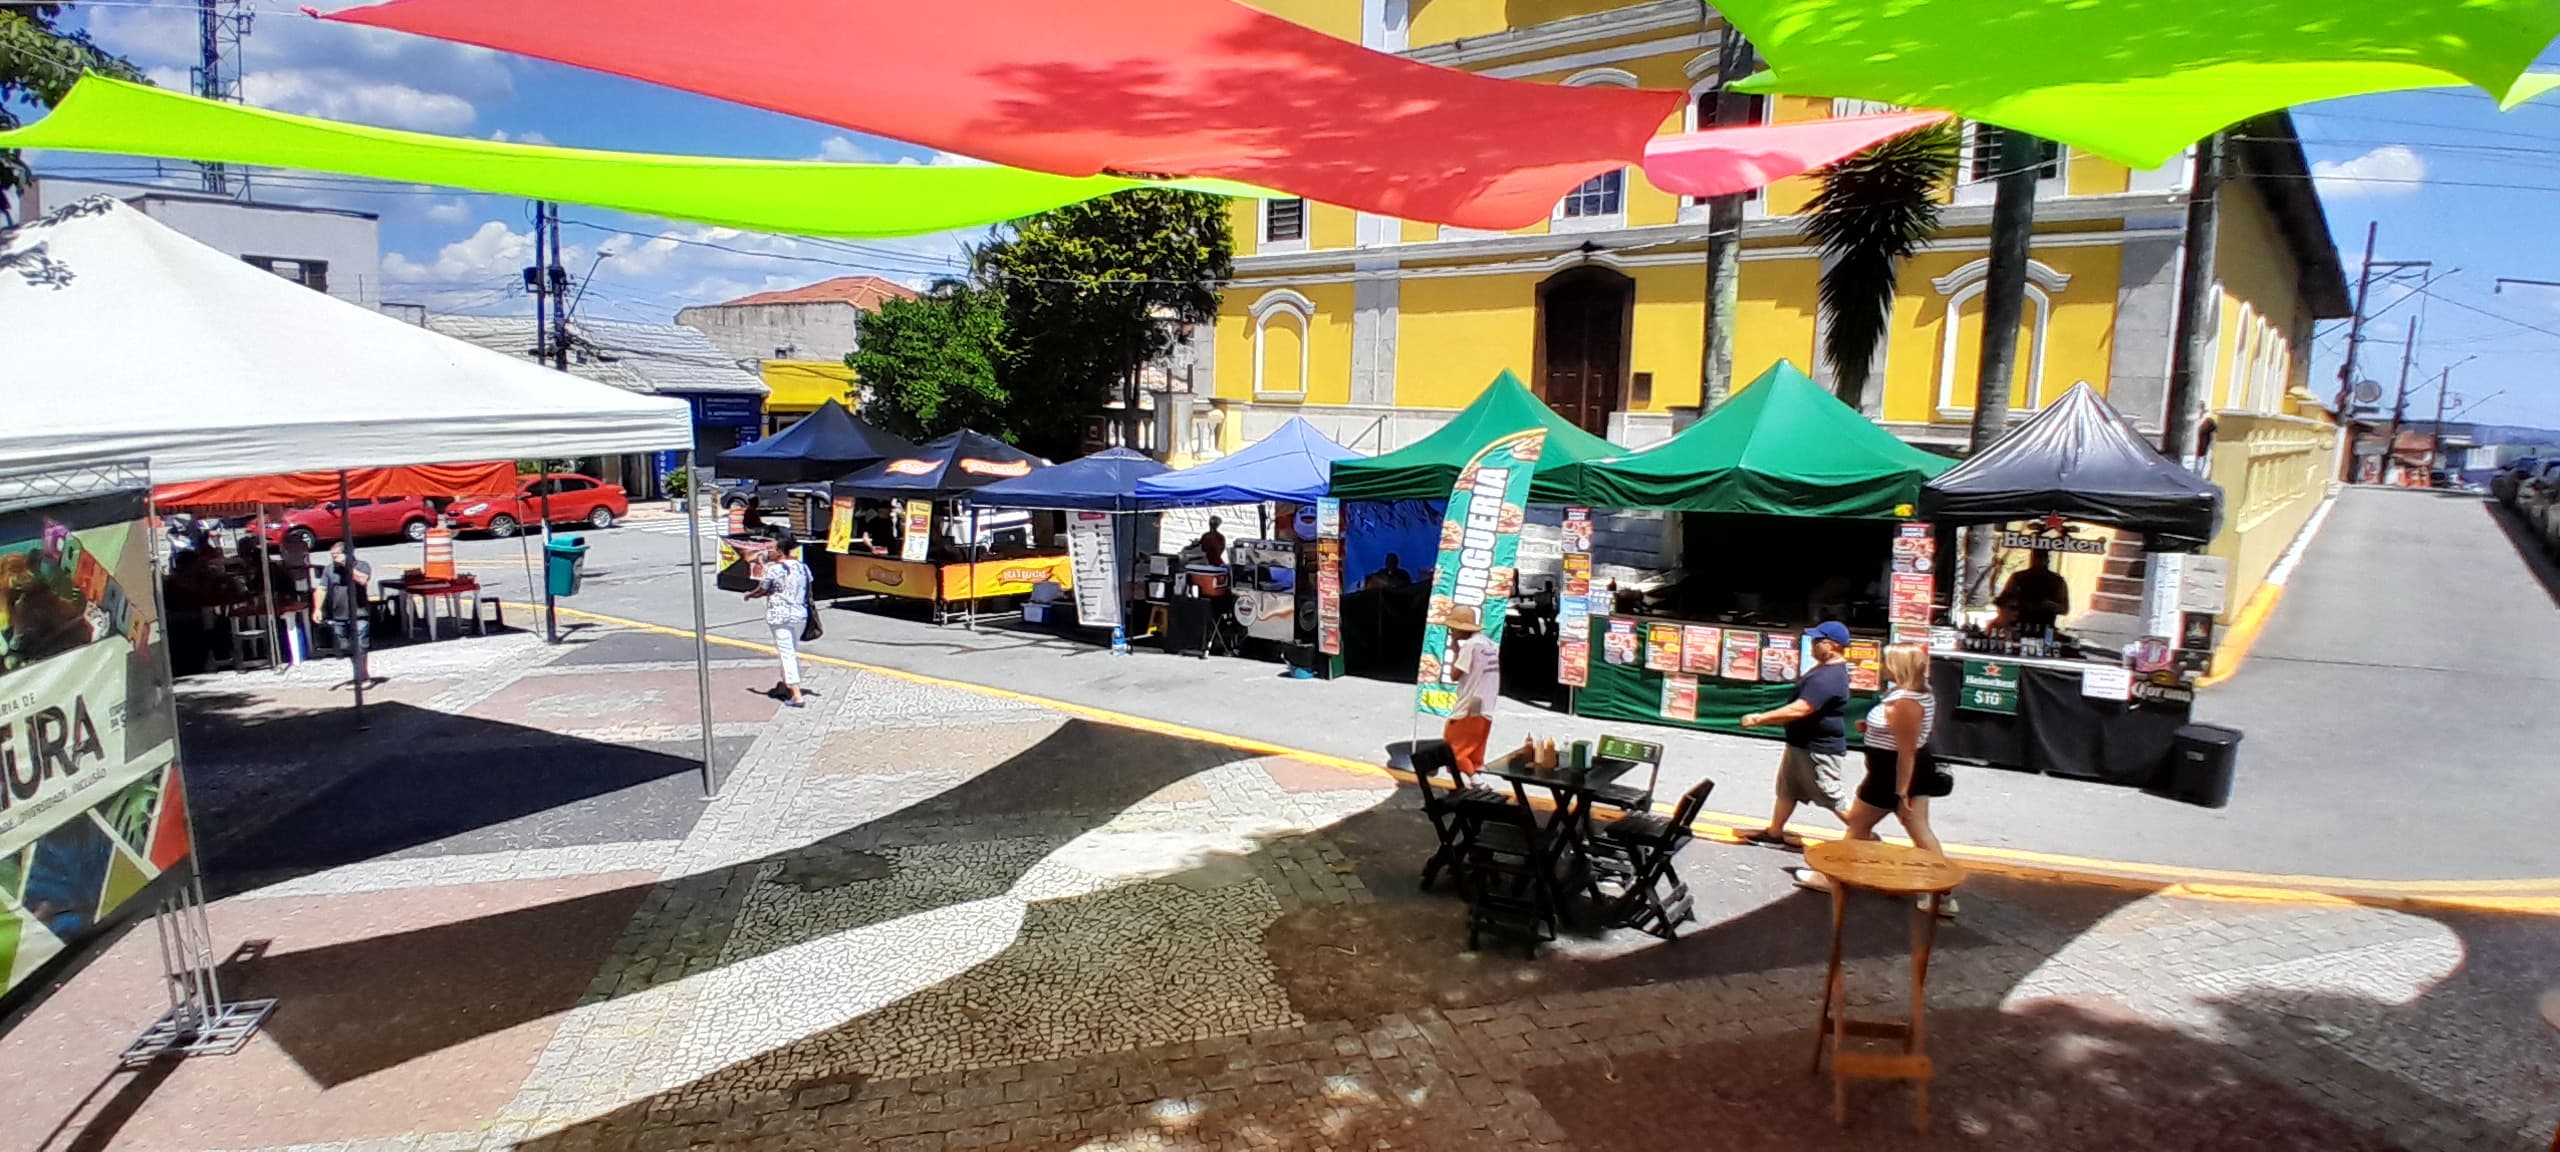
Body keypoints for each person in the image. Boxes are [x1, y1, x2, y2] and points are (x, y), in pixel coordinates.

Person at [1796, 642, 1957, 913]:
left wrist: (1901, 792)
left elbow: (1906, 752)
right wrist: (1870, 728)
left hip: (1892, 774)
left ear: (1900, 667)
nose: (1883, 667)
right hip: (1897, 772)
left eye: (1888, 662)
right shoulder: (1915, 693)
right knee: (1915, 831)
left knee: (1860, 826)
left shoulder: (1905, 703)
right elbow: (1907, 735)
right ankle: (1941, 896)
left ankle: (1831, 878)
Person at [1736, 620, 1853, 847]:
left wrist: (1760, 718)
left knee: (1831, 795)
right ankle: (1775, 833)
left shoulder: (1829, 677)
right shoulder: (1824, 669)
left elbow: (1801, 708)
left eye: (1818, 640)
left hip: (1818, 750)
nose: (1813, 644)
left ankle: (1865, 834)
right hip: (1802, 744)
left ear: (1833, 645)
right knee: (1788, 790)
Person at [746, 528, 812, 707]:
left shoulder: (774, 569)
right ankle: (784, 685)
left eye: (772, 548)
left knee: (786, 653)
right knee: (791, 649)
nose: (769, 551)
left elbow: (762, 589)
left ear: (780, 551)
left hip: (780, 616)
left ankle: (796, 694)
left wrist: (750, 595)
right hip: (800, 614)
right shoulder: (803, 567)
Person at [1440, 604, 1500, 776]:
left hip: (1469, 706)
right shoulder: (1489, 645)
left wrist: (1455, 651)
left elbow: (1454, 675)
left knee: (1454, 750)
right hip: (1486, 707)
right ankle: (1476, 784)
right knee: (1475, 755)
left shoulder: (1470, 646)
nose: (1451, 632)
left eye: (1453, 629)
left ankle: (1477, 783)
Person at [321, 541, 374, 685]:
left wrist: (346, 565)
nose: (334, 558)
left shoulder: (361, 565)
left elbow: (362, 580)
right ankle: (359, 673)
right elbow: (322, 588)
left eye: (336, 555)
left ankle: (363, 677)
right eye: (332, 556)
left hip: (359, 613)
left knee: (360, 645)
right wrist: (318, 608)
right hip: (339, 614)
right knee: (346, 647)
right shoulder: (329, 569)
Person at [1993, 549, 2071, 635]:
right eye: (2037, 558)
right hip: (2021, 627)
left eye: (2041, 558)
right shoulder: (2018, 577)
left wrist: (2047, 604)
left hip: (2044, 628)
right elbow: (2002, 601)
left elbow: (2064, 609)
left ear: (2047, 560)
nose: (2039, 561)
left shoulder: (2057, 581)